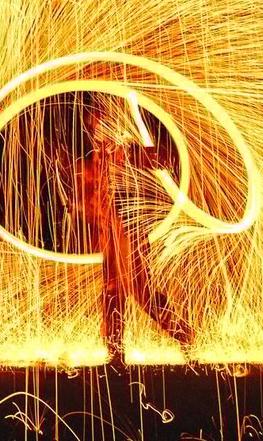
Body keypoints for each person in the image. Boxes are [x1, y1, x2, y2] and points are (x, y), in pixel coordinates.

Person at [79, 101, 194, 363]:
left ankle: (185, 336)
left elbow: (163, 159)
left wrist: (135, 154)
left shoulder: (127, 150)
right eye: (92, 126)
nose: (95, 131)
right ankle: (115, 352)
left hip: (130, 231)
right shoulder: (100, 155)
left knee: (142, 292)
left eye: (99, 124)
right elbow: (97, 196)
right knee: (112, 292)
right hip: (111, 233)